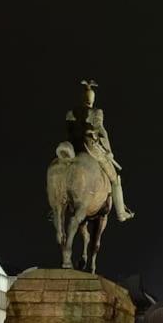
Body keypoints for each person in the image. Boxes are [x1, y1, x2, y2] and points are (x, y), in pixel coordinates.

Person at [66, 80, 134, 221]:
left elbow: (68, 131)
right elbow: (101, 131)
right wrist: (108, 151)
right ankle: (121, 212)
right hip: (91, 148)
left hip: (73, 147)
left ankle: (56, 207)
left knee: (61, 172)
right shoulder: (96, 112)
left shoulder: (71, 113)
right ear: (92, 99)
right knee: (115, 179)